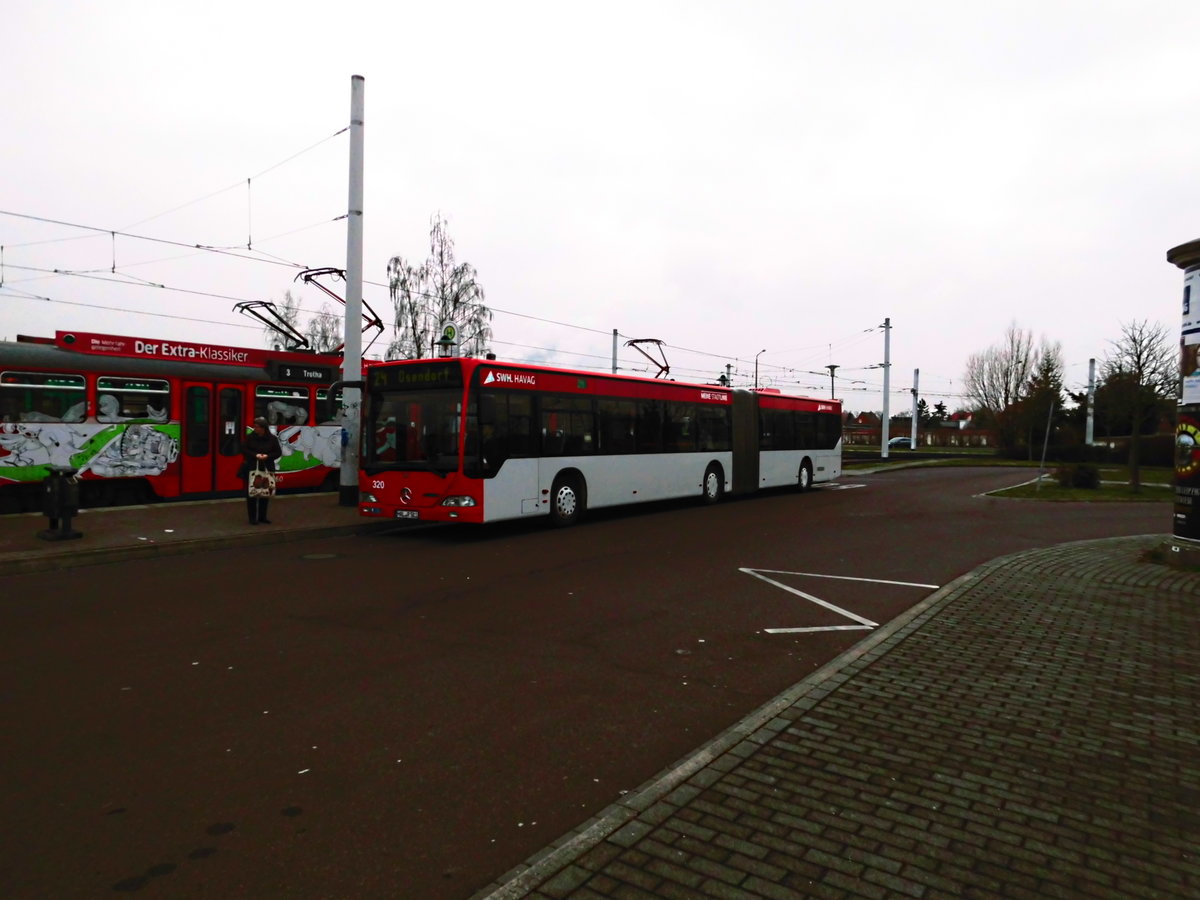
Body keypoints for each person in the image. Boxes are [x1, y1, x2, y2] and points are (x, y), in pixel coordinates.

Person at [239, 416, 282, 524]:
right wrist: (255, 455)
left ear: (264, 428)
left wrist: (267, 456)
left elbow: (278, 452)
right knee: (252, 493)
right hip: (252, 468)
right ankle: (252, 518)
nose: (255, 429)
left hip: (266, 468)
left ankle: (262, 517)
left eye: (257, 427)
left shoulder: (272, 439)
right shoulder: (250, 438)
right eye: (255, 427)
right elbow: (244, 449)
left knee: (265, 493)